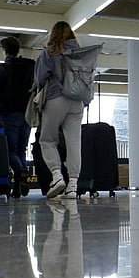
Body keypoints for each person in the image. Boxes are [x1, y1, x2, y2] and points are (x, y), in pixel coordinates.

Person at [35, 21, 88, 199]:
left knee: (47, 139)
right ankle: (73, 185)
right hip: (78, 102)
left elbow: (40, 79)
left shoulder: (48, 53)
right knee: (75, 143)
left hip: (56, 97)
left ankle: (57, 176)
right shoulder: (81, 55)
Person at [0, 36, 36, 198]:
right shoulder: (30, 68)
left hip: (7, 115)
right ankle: (18, 186)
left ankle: (21, 171)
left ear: (4, 51)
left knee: (9, 150)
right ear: (18, 50)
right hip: (27, 115)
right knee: (20, 150)